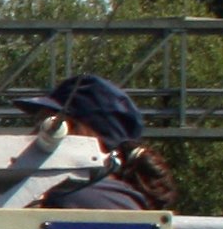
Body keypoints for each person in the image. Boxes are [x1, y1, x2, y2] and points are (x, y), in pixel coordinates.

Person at [20, 73, 177, 211]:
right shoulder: (116, 199)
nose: (33, 135)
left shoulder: (70, 198)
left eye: (46, 126)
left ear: (78, 131)